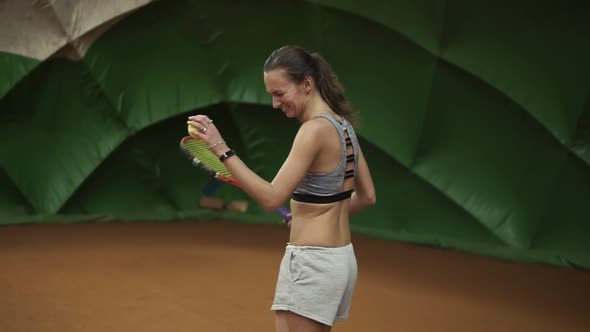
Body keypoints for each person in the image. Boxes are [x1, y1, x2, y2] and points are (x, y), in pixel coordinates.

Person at [187, 45, 376, 332]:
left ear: (307, 84)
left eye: (280, 93)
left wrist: (220, 147)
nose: (275, 104)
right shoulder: (343, 125)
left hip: (312, 263)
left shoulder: (312, 131)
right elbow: (367, 196)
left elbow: (272, 197)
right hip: (340, 260)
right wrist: (308, 217)